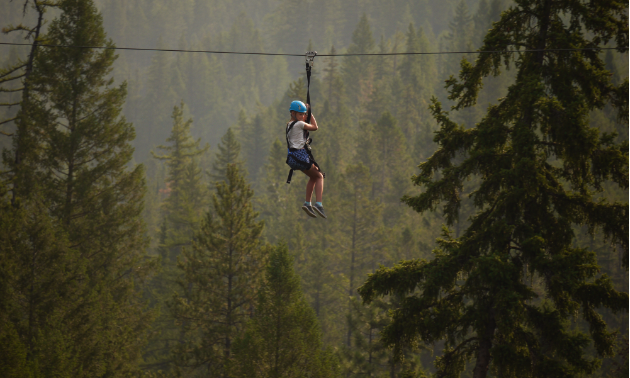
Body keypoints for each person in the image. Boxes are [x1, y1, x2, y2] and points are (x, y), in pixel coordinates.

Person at [286, 100, 326, 219]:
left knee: (313, 176)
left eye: (304, 114)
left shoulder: (289, 125)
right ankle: (318, 204)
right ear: (293, 113)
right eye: (300, 114)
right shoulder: (299, 124)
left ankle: (307, 203)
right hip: (300, 156)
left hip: (293, 158)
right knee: (319, 176)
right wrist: (310, 112)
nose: (303, 117)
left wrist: (305, 113)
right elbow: (315, 127)